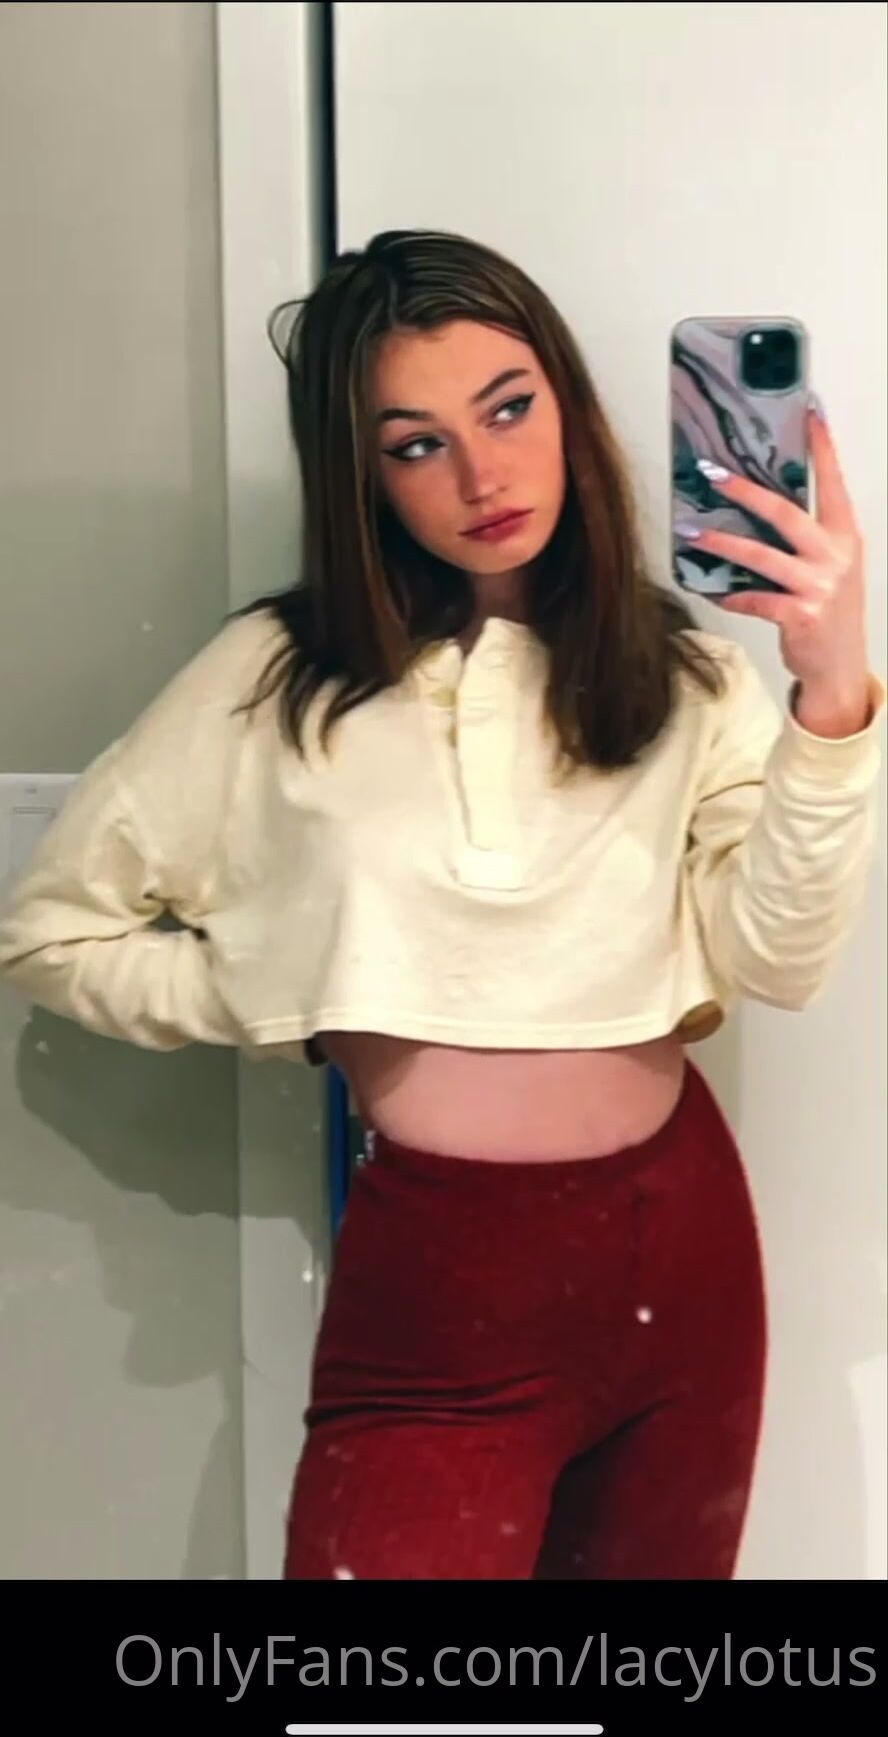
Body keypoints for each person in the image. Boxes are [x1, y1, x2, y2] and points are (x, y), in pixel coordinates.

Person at [0, 229, 882, 1581]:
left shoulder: (685, 678)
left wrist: (830, 691)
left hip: (681, 1251)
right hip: (443, 1279)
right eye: (416, 444)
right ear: (360, 475)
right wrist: (279, 983)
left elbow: (780, 958)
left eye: (509, 409)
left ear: (568, 406)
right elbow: (50, 929)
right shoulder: (277, 679)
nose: (482, 476)